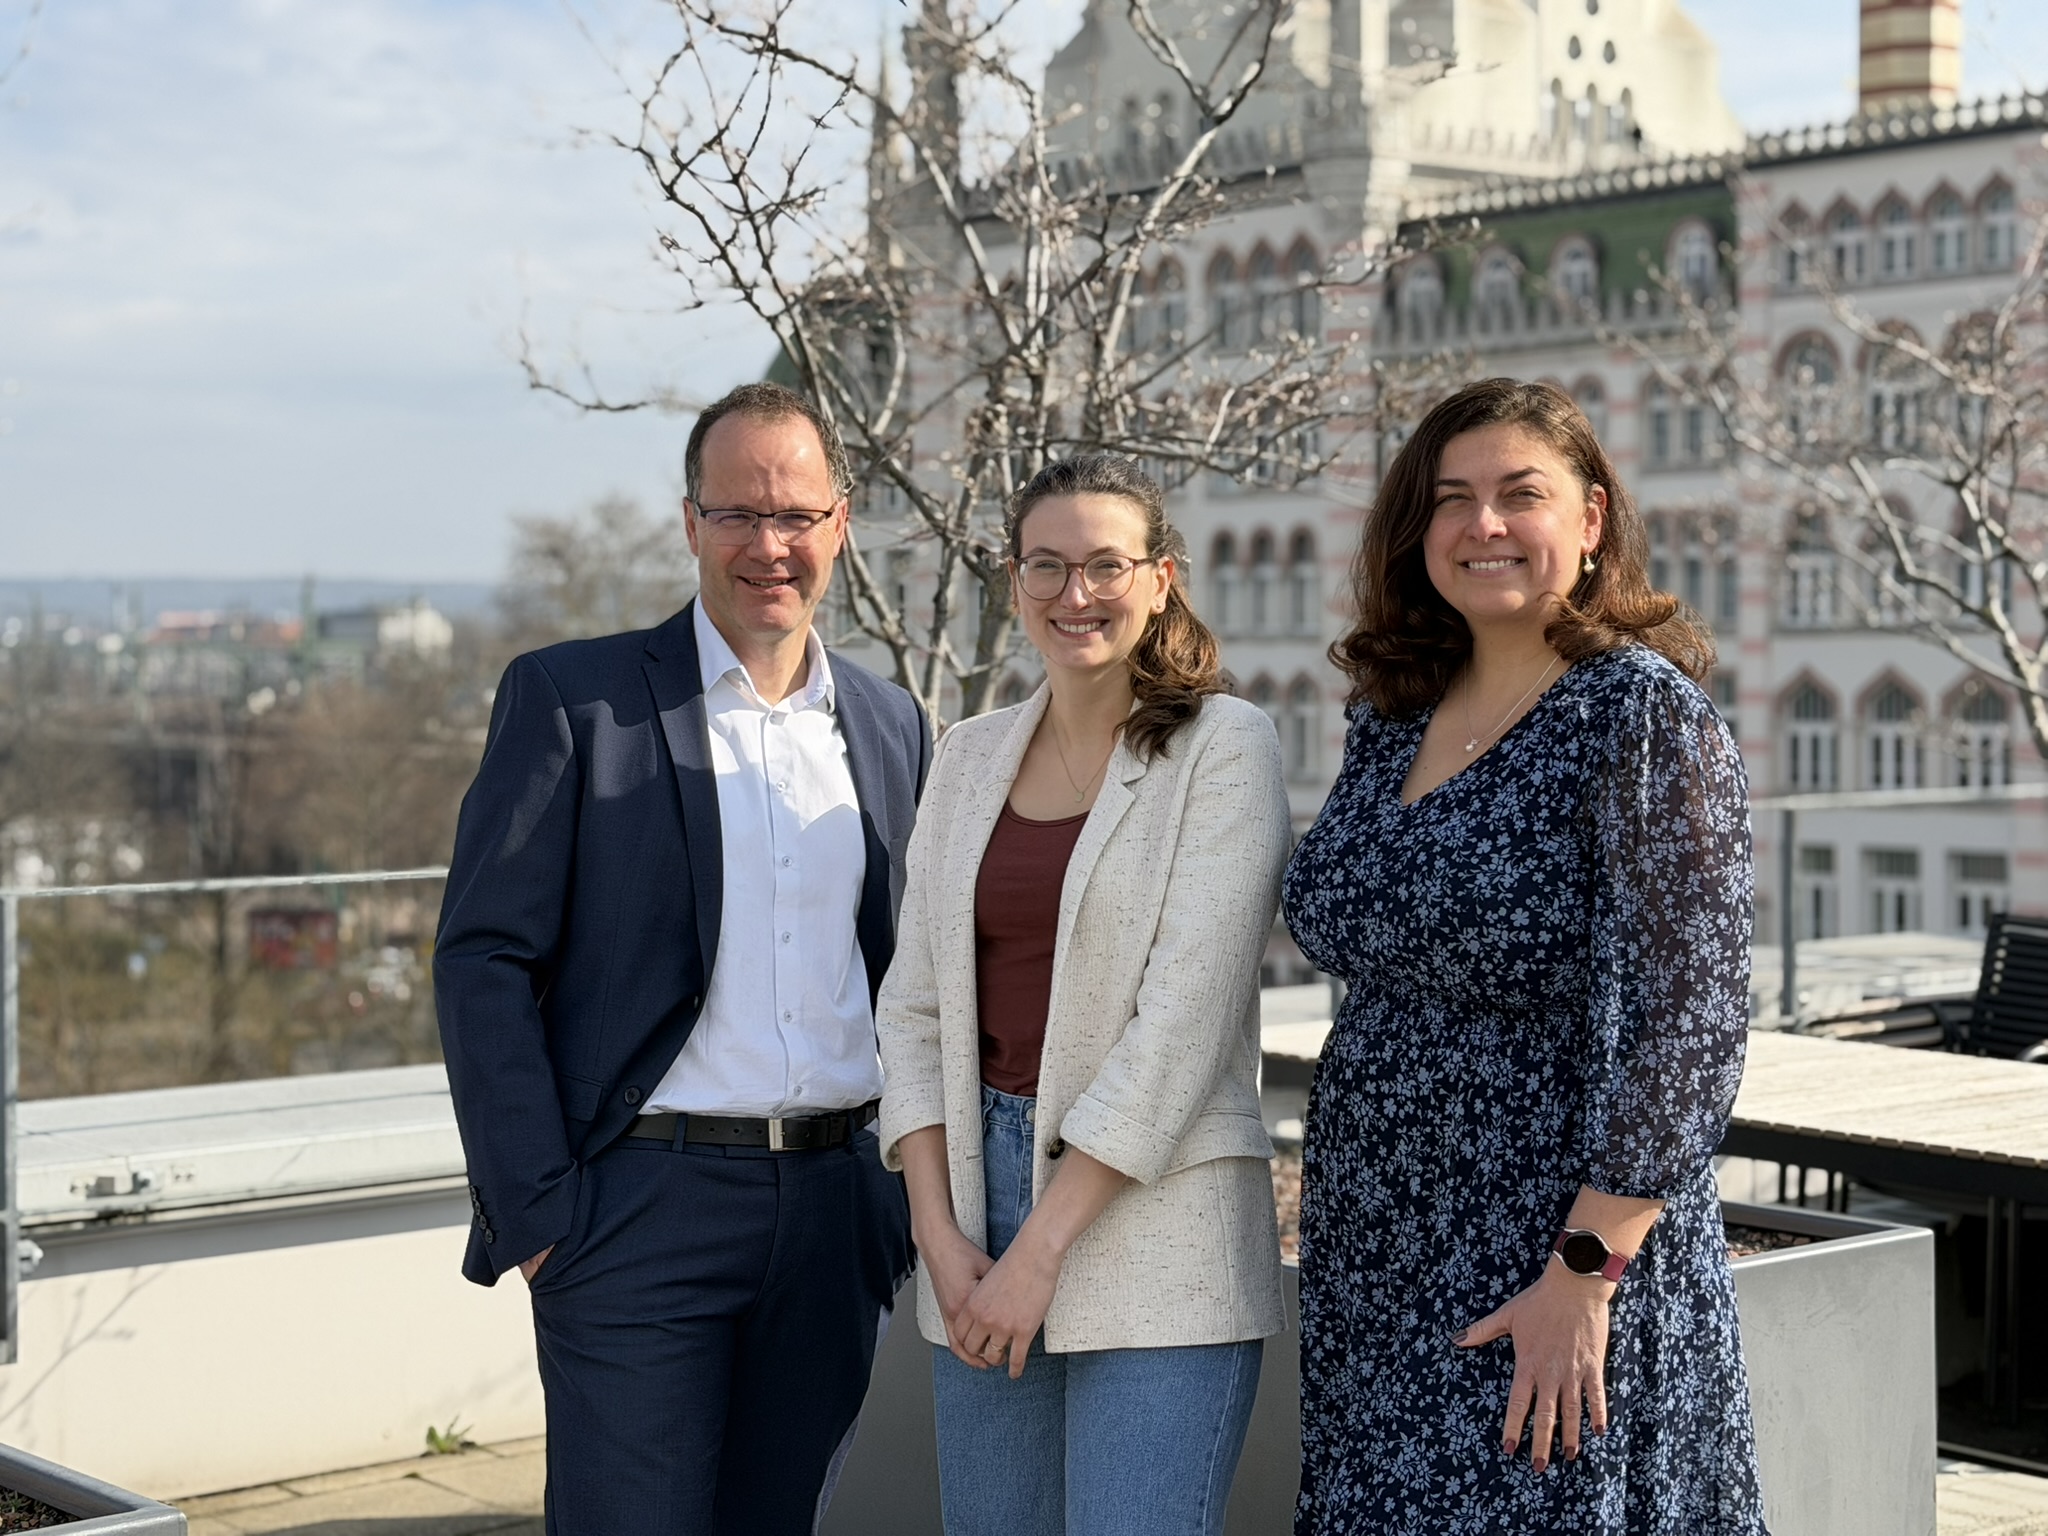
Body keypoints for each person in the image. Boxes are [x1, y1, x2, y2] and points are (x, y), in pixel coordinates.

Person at [433, 381, 929, 1536]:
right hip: (631, 1212)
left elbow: (912, 973)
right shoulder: (574, 700)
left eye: (797, 515)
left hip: (832, 1216)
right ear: (690, 521)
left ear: (840, 523)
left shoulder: (891, 723)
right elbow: (480, 960)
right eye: (738, 514)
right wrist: (540, 1212)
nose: (770, 545)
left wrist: (898, 1203)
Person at [1282, 378, 1767, 1534]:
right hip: (1377, 1249)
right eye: (1451, 499)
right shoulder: (1393, 709)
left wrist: (1584, 1274)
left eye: (1518, 495)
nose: (1482, 525)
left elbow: (1691, 1025)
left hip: (1546, 1254)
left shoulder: (1638, 717)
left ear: (1590, 519)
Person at [876, 452, 1289, 1536]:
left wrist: (1040, 1252)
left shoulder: (1222, 748)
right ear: (1012, 583)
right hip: (973, 1212)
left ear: (1161, 577)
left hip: (1154, 1220)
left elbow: (1181, 1032)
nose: (1075, 595)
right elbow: (912, 1007)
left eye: (1105, 565)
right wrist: (939, 1231)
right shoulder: (966, 756)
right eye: (1046, 567)